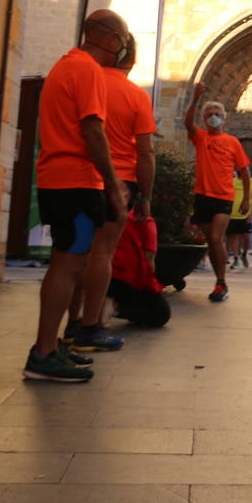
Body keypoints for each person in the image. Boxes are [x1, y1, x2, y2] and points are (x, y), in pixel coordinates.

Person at [22, 10, 131, 382]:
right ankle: (44, 351)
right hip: (75, 182)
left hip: (61, 180)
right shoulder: (86, 70)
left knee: (68, 263)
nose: (124, 47)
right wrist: (113, 182)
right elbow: (92, 131)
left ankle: (53, 346)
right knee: (67, 267)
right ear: (111, 39)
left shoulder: (65, 66)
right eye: (124, 39)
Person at [65, 33, 155, 353]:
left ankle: (72, 323)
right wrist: (145, 197)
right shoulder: (135, 96)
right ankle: (91, 326)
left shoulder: (84, 80)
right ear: (130, 59)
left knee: (75, 255)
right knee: (102, 253)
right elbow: (145, 153)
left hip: (78, 177)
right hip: (121, 180)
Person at [184, 84, 251, 302]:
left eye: (217, 114)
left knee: (215, 237)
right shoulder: (201, 138)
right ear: (204, 119)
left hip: (223, 197)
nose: (214, 117)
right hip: (202, 196)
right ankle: (220, 281)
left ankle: (221, 282)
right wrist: (195, 99)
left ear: (224, 118)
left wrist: (247, 199)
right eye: (210, 114)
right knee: (211, 242)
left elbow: (244, 171)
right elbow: (187, 123)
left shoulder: (232, 142)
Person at [227, 169, 252, 269]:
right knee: (234, 237)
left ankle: (244, 254)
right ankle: (235, 259)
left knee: (246, 237)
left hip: (246, 215)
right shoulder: (233, 181)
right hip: (233, 214)